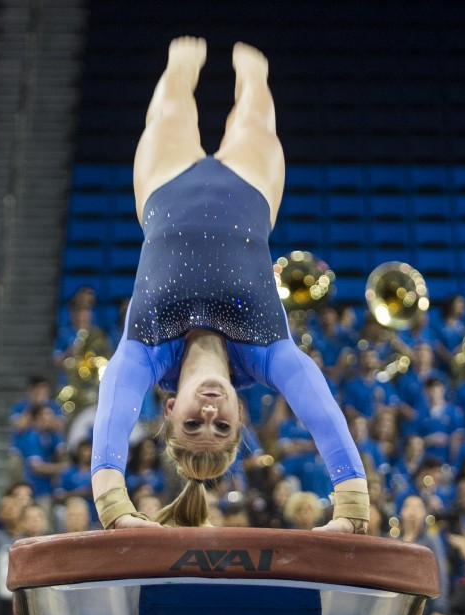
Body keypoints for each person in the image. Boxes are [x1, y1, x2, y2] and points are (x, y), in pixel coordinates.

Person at [90, 38, 368, 532]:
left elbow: (113, 397)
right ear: (242, 412)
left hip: (164, 185)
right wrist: (351, 504)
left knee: (174, 97)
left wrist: (113, 505)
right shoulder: (264, 352)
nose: (210, 412)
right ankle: (252, 78)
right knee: (255, 108)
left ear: (170, 408)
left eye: (192, 424)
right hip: (250, 190)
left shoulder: (148, 354)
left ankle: (181, 64)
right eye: (223, 426)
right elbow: (318, 407)